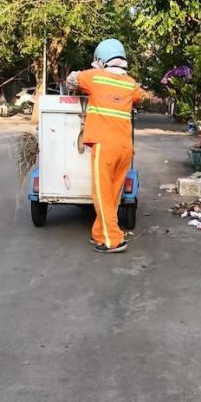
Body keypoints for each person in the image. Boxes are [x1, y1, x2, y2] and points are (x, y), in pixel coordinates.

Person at [67, 39, 143, 253]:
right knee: (112, 196)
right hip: (125, 148)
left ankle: (113, 240)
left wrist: (85, 74)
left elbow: (72, 80)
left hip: (105, 146)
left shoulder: (94, 77)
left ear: (101, 60)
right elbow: (139, 95)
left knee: (101, 194)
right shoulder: (130, 83)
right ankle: (100, 234)